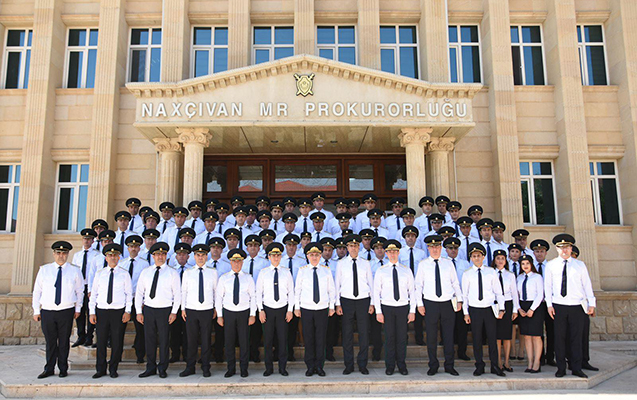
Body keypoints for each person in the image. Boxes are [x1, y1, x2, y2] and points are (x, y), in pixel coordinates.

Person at [545, 234, 596, 378]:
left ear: (571, 248)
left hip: (576, 306)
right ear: (557, 249)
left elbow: (587, 285)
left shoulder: (579, 265)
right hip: (559, 306)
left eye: (567, 247)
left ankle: (576, 367)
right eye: (561, 247)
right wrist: (549, 305)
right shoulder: (551, 265)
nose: (564, 250)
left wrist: (591, 303)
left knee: (576, 338)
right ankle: (561, 367)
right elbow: (547, 287)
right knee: (559, 338)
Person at [32, 241, 83, 379]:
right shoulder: (44, 270)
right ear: (54, 254)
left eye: (64, 253)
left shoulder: (75, 270)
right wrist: (36, 310)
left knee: (64, 341)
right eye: (58, 253)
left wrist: (78, 308)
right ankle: (49, 368)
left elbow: (80, 291)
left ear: (68, 254)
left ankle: (63, 368)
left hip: (66, 310)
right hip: (48, 311)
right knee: (50, 342)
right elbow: (37, 291)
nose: (61, 256)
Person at [415, 235, 463, 376]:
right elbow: (419, 285)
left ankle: (449, 365)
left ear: (441, 248)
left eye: (437, 246)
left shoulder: (448, 263)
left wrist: (459, 300)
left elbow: (455, 283)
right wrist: (419, 304)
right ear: (428, 248)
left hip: (447, 302)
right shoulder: (423, 264)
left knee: (448, 335)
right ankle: (433, 365)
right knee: (431, 336)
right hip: (430, 302)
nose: (434, 249)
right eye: (432, 247)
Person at [136, 242, 181, 378]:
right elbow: (139, 293)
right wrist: (138, 311)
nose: (160, 257)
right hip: (149, 309)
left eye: (163, 254)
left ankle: (162, 368)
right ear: (153, 256)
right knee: (149, 339)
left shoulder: (172, 273)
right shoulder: (146, 272)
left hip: (165, 310)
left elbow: (177, 294)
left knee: (164, 340)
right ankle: (150, 367)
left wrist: (174, 312)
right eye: (157, 254)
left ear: (166, 256)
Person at [462, 243, 507, 377]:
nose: (476, 258)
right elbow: (465, 295)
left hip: (489, 309)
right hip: (475, 309)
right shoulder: (467, 274)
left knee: (492, 338)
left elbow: (498, 292)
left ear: (483, 257)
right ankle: (479, 365)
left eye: (479, 256)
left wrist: (502, 308)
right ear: (471, 258)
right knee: (477, 339)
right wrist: (466, 313)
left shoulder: (491, 272)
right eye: (474, 256)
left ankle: (495, 366)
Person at [89, 243, 132, 379]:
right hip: (102, 311)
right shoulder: (99, 274)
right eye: (110, 255)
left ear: (119, 257)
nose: (113, 257)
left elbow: (128, 294)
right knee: (101, 341)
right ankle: (100, 369)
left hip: (118, 311)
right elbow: (94, 294)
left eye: (115, 255)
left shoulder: (124, 274)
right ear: (106, 258)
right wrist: (92, 312)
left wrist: (128, 311)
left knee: (117, 341)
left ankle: (113, 368)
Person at [373, 239, 416, 375]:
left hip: (402, 306)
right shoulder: (381, 271)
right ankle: (390, 365)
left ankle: (402, 365)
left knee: (402, 337)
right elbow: (376, 292)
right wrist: (378, 311)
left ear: (398, 252)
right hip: (387, 307)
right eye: (390, 251)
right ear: (386, 253)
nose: (392, 254)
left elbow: (412, 291)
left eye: (395, 251)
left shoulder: (406, 270)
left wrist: (412, 310)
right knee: (390, 338)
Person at [294, 243, 336, 377]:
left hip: (322, 308)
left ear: (320, 256)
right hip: (306, 308)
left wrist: (331, 306)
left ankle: (319, 365)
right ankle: (310, 366)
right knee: (309, 338)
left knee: (320, 338)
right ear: (307, 256)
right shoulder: (302, 270)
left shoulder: (326, 270)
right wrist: (296, 307)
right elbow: (297, 290)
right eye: (312, 255)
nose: (314, 257)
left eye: (317, 255)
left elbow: (331, 290)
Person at [335, 234, 374, 375]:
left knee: (364, 333)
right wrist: (337, 304)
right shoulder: (341, 264)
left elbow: (371, 283)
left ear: (359, 247)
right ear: (347, 247)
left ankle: (363, 364)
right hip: (347, 300)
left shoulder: (366, 263)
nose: (353, 248)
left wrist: (372, 303)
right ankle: (349, 365)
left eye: (356, 245)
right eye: (351, 246)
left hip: (363, 300)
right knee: (347, 334)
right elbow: (337, 284)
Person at [216, 248, 257, 378]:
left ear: (243, 262)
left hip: (244, 312)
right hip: (229, 312)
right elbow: (219, 297)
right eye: (234, 261)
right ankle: (231, 368)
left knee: (244, 342)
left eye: (239, 261)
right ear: (230, 262)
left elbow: (253, 297)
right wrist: (219, 315)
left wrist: (252, 314)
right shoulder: (224, 278)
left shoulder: (248, 278)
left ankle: (244, 368)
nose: (237, 263)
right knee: (229, 342)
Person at [256, 243, 295, 376]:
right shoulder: (263, 273)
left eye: (278, 255)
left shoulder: (286, 272)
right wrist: (260, 310)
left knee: (282, 340)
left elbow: (291, 292)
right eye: (273, 255)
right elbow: (258, 292)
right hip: (268, 309)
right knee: (268, 340)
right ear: (269, 257)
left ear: (281, 256)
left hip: (282, 309)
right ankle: (269, 368)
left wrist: (290, 310)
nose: (276, 258)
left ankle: (282, 368)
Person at [179, 244, 218, 377]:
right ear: (194, 257)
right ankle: (190, 367)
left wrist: (215, 308)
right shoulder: (188, 272)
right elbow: (183, 291)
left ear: (207, 256)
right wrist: (183, 308)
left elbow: (216, 292)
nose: (200, 257)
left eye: (203, 255)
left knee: (206, 340)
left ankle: (206, 367)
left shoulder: (213, 272)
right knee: (191, 340)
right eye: (198, 255)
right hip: (191, 309)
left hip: (206, 309)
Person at [119, 235, 150, 364]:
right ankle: (117, 355)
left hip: (138, 299)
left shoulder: (144, 263)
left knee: (140, 329)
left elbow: (146, 283)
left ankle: (140, 354)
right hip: (124, 300)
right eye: (131, 246)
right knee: (119, 330)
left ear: (139, 248)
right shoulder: (122, 263)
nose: (133, 249)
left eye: (136, 246)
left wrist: (143, 300)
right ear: (127, 248)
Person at [570, 246, 598, 372]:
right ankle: (572, 361)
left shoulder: (580, 268)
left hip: (582, 306)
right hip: (569, 306)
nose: (572, 258)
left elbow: (587, 287)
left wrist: (591, 304)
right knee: (571, 336)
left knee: (584, 334)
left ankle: (584, 360)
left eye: (574, 256)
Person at [443, 237, 471, 360]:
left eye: (455, 248)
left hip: (462, 298)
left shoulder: (465, 263)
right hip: (448, 298)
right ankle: (448, 351)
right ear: (446, 250)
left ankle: (462, 351)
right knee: (448, 326)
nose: (453, 250)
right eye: (450, 248)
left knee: (462, 327)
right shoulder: (443, 263)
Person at [492, 249, 519, 372]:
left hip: (507, 304)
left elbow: (514, 293)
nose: (500, 261)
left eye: (502, 258)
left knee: (507, 335)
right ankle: (498, 361)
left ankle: (507, 361)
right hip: (495, 305)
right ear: (494, 260)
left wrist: (515, 309)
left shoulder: (510, 275)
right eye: (498, 258)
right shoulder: (491, 273)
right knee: (497, 336)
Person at [71, 228, 100, 348]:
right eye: (84, 239)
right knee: (80, 311)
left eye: (89, 239)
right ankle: (81, 336)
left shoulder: (97, 255)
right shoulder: (77, 255)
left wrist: (92, 289)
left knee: (91, 311)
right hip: (79, 286)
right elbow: (73, 272)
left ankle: (89, 337)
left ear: (93, 241)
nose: (86, 241)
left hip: (90, 286)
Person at [516, 255, 544, 373]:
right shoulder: (519, 277)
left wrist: (532, 309)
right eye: (523, 264)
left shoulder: (537, 277)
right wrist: (518, 308)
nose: (525, 266)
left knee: (536, 336)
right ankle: (530, 362)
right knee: (526, 336)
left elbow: (540, 294)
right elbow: (516, 294)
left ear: (531, 264)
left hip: (535, 306)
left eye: (527, 263)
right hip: (523, 306)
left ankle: (537, 362)